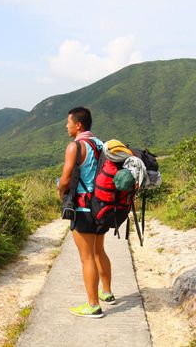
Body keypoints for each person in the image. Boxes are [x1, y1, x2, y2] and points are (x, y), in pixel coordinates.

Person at [57, 107, 116, 319]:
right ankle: (107, 293)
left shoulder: (75, 147)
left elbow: (65, 180)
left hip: (83, 209)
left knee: (87, 257)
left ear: (78, 125)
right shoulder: (102, 145)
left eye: (68, 122)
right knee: (99, 251)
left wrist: (60, 192)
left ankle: (93, 305)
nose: (67, 126)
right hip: (103, 206)